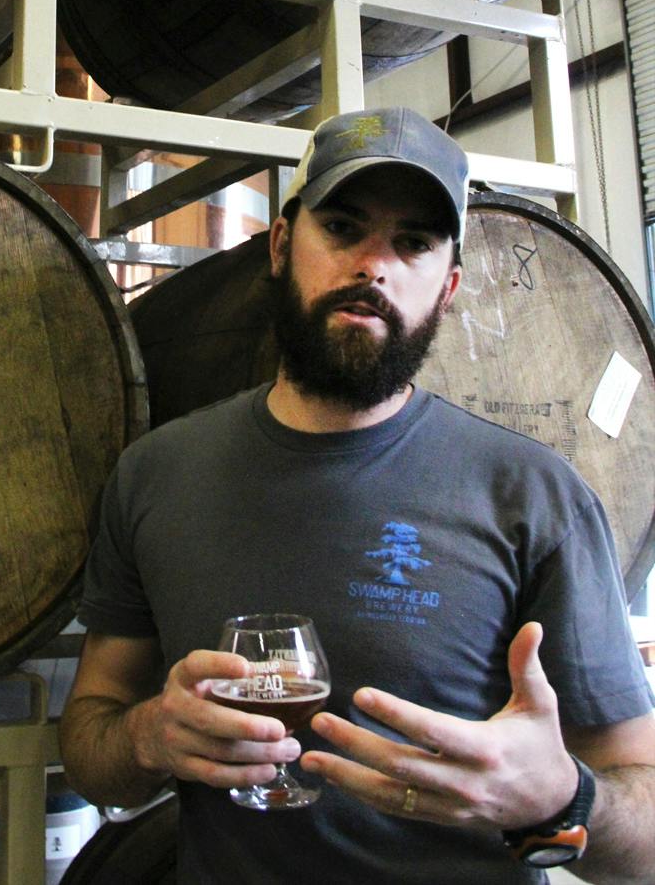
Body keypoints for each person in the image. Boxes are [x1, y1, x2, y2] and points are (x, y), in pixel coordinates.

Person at [59, 107, 655, 882]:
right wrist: (145, 739)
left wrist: (563, 798)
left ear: (447, 288)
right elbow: (88, 745)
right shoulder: (156, 474)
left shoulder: (534, 495)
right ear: (281, 247)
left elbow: (643, 842)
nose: (375, 265)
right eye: (342, 227)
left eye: (412, 243)